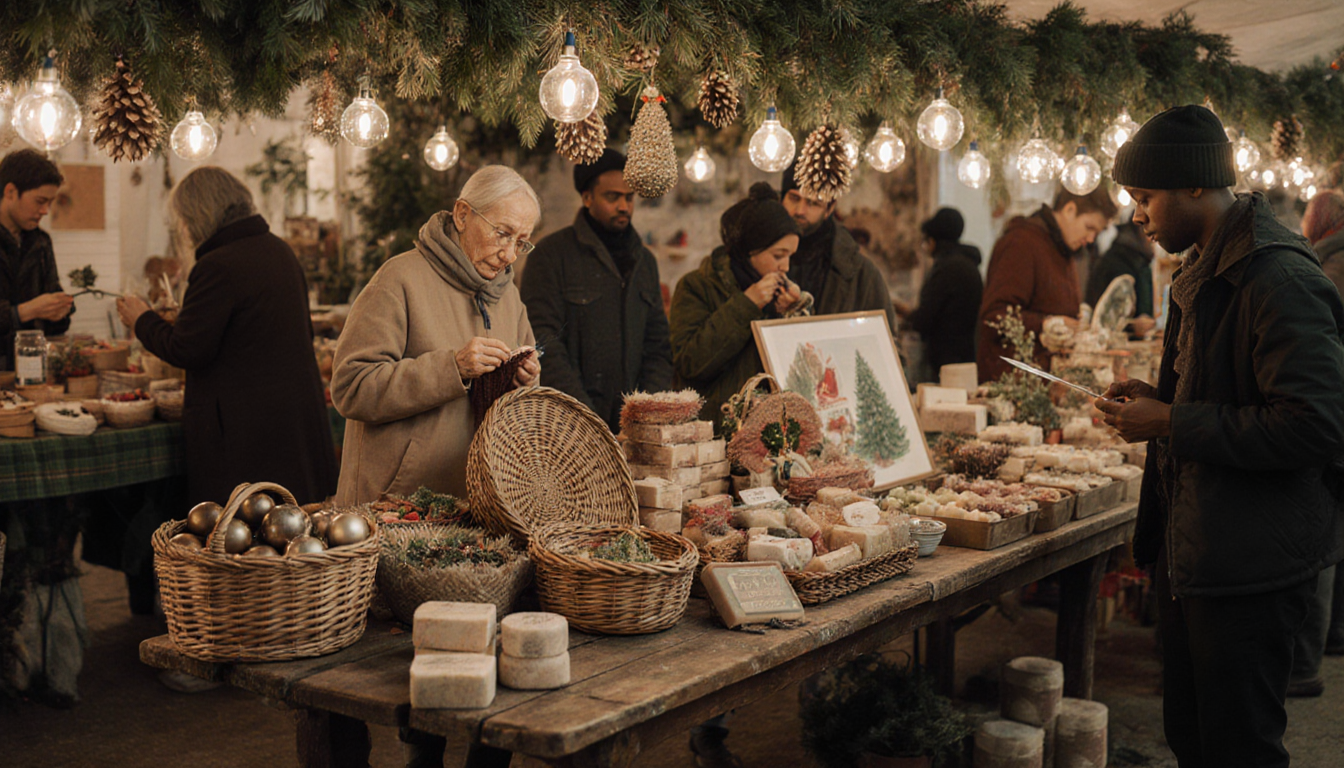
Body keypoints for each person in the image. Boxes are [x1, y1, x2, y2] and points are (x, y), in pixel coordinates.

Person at [1096, 105, 1344, 768]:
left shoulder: (1279, 277)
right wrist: (1160, 400)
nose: (1137, 215)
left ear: (1196, 186)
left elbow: (1315, 424)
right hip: (1201, 549)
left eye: (1144, 198)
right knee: (1193, 736)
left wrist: (1173, 422)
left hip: (1253, 564)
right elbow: (1227, 393)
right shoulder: (1204, 265)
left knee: (1240, 748)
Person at [117, 167, 336, 508]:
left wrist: (141, 319)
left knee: (247, 537)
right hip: (291, 422)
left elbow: (187, 348)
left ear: (197, 214)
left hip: (246, 435)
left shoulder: (217, 265)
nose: (184, 231)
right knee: (292, 529)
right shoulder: (279, 250)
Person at [333, 165, 541, 504]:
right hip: (394, 508)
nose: (510, 255)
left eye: (521, 242)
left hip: (475, 506)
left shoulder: (509, 297)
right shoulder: (398, 279)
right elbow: (351, 387)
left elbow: (517, 412)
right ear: (462, 215)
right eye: (502, 233)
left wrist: (525, 382)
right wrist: (452, 368)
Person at [521, 149, 672, 430]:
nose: (624, 207)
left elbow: (658, 346)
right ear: (587, 197)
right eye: (612, 197)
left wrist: (647, 413)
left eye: (629, 197)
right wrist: (587, 420)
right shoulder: (551, 256)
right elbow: (543, 344)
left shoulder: (645, 261)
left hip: (636, 430)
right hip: (570, 427)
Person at [670, 182, 801, 429]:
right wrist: (747, 304)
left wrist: (794, 314)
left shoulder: (780, 292)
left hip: (771, 440)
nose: (785, 266)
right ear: (749, 251)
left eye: (790, 256)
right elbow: (690, 362)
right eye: (778, 255)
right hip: (713, 437)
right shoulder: (696, 286)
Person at [1288, 188, 1344, 693]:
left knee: (1319, 543)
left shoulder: (1331, 268)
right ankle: (1325, 644)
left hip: (1330, 417)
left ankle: (1304, 667)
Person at [977, 186, 1118, 382]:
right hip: (1013, 388)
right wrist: (1047, 324)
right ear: (1069, 210)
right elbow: (993, 317)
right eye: (1089, 227)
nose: (1091, 239)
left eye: (1097, 232)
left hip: (1046, 385)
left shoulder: (1062, 249)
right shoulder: (1021, 243)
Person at [780, 163, 898, 331]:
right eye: (794, 198)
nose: (800, 211)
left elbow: (885, 341)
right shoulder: (758, 256)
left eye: (813, 203)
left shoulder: (859, 273)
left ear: (829, 208)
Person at [1, 150, 73, 370]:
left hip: (31, 369)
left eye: (50, 203)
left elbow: (55, 320)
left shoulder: (41, 242)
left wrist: (61, 310)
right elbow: (31, 310)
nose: (45, 211)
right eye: (40, 201)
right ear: (11, 192)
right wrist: (27, 310)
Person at [893, 207, 983, 378]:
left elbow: (925, 318)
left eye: (925, 242)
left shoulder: (946, 268)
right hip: (967, 356)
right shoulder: (968, 264)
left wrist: (904, 313)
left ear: (933, 242)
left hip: (947, 361)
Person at [1084, 219, 1156, 337]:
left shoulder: (1140, 260)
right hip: (1112, 345)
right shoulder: (1115, 262)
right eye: (1150, 233)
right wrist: (1132, 326)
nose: (1153, 240)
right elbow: (1100, 317)